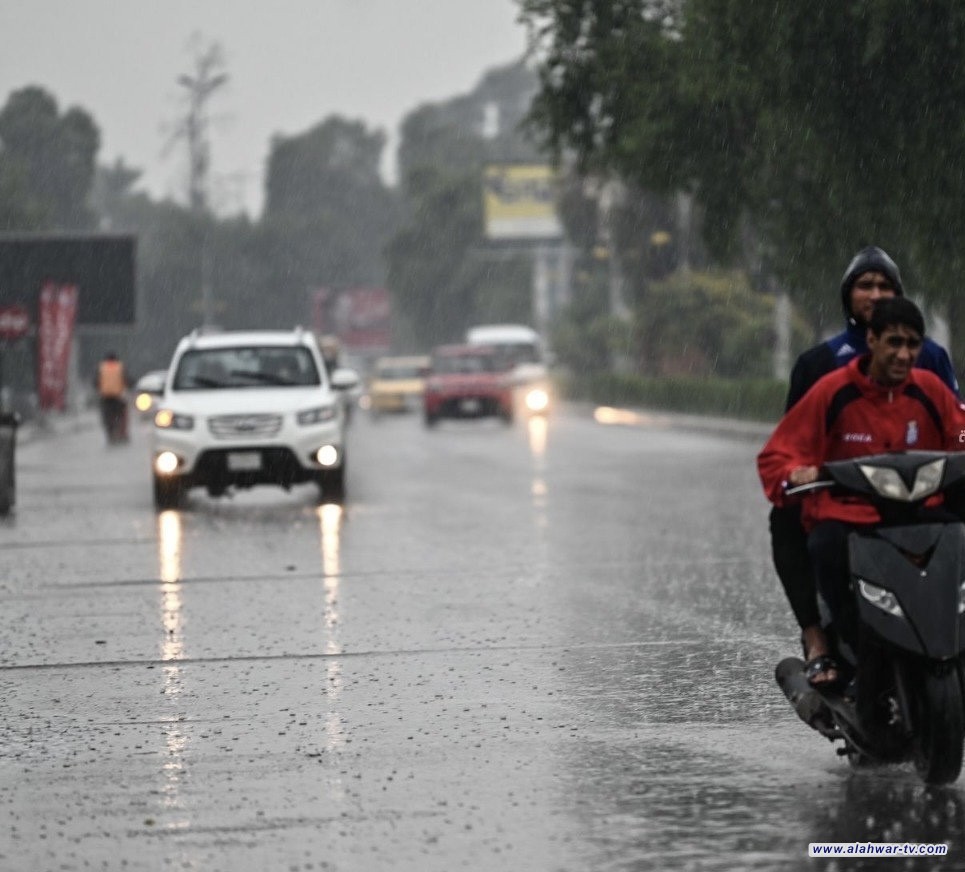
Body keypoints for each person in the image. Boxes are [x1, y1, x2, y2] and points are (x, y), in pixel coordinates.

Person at [769, 247, 959, 687]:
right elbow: (791, 441)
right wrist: (802, 470)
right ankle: (818, 639)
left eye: (884, 286)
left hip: (920, 493)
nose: (902, 355)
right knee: (789, 519)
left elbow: (957, 425)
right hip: (845, 498)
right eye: (864, 285)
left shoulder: (930, 362)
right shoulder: (820, 367)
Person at [96, 351, 128, 443]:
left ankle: (110, 434)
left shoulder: (101, 367)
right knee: (120, 416)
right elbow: (126, 379)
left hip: (105, 397)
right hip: (118, 396)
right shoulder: (120, 366)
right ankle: (120, 433)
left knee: (107, 417)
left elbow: (96, 381)